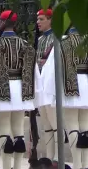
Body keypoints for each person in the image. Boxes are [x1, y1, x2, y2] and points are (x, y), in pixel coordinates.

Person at [0, 10, 43, 169]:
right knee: (19, 133)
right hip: (21, 92)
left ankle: (6, 167)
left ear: (1, 22)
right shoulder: (26, 45)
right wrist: (34, 95)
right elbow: (34, 73)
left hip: (1, 90)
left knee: (4, 132)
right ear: (15, 24)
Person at [41, 26, 88, 169]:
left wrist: (49, 93)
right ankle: (86, 165)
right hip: (86, 84)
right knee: (85, 127)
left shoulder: (61, 42)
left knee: (72, 126)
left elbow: (51, 70)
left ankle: (77, 164)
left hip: (69, 85)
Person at [36, 9, 68, 165]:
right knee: (46, 125)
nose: (38, 22)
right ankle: (49, 158)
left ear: (50, 20)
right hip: (41, 85)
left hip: (52, 86)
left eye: (41, 19)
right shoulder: (41, 39)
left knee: (56, 124)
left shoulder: (60, 38)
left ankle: (57, 159)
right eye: (38, 19)